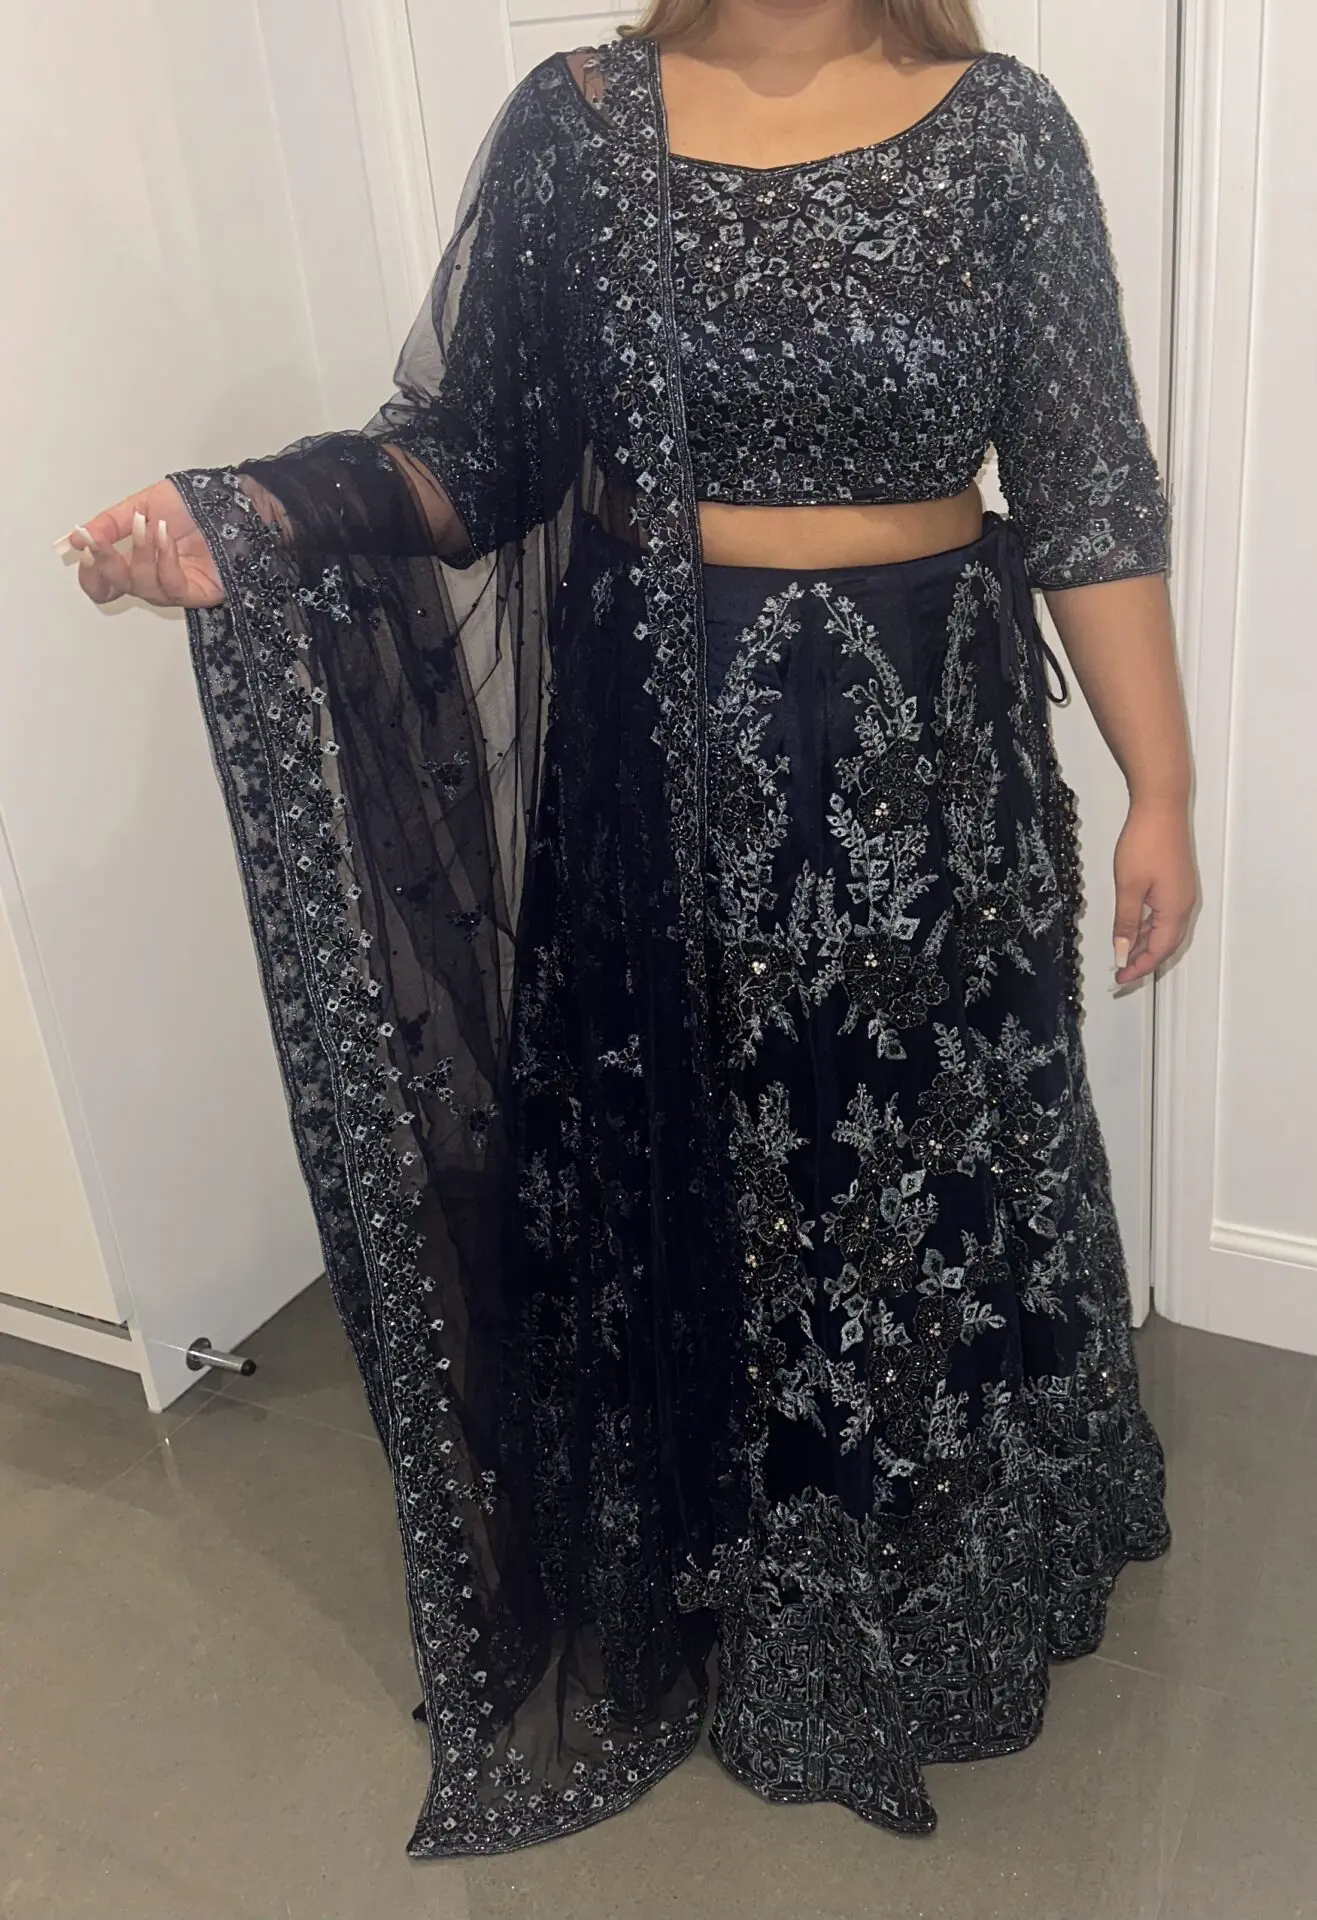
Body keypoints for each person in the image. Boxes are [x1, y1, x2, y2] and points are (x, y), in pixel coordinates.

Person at [62, 0, 1195, 1860]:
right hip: (663, 760)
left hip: (926, 768)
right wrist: (250, 515)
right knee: (711, 1172)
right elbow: (469, 450)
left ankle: (929, 1550)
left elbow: (1088, 487)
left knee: (922, 1170)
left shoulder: (1005, 133)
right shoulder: (576, 127)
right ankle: (724, 1552)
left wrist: (1162, 785)